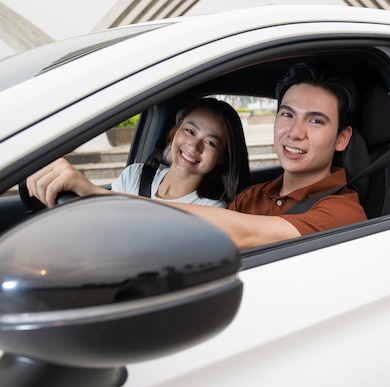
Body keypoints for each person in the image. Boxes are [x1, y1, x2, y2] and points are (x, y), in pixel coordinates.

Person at [27, 62, 367, 250]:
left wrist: (100, 197)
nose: (295, 132)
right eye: (287, 114)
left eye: (316, 121)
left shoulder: (342, 211)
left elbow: (236, 234)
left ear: (342, 138)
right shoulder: (251, 196)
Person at [27, 98, 250, 207]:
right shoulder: (135, 175)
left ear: (222, 158)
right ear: (175, 131)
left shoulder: (212, 208)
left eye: (210, 143)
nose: (194, 146)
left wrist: (91, 190)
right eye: (190, 131)